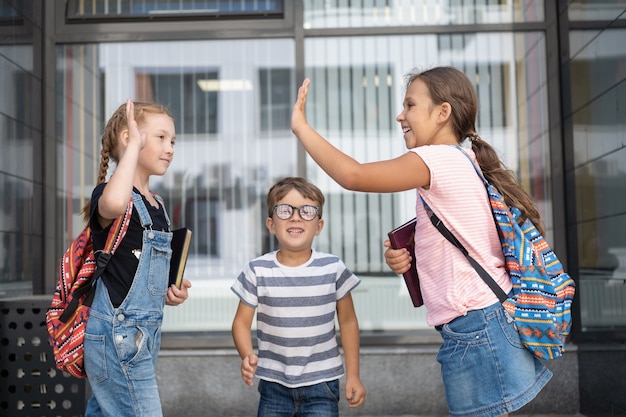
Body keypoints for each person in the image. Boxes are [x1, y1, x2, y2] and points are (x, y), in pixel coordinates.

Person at [291, 66, 553, 417]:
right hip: (486, 321)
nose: (401, 115)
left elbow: (353, 176)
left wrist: (302, 128)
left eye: (411, 105)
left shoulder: (437, 159)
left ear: (442, 112)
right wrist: (409, 253)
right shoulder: (464, 160)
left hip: (478, 327)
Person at [81, 100, 192, 417]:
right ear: (129, 139)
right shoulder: (111, 195)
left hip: (143, 336)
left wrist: (171, 291)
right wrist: (130, 148)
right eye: (160, 138)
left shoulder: (157, 204)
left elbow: (142, 275)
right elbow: (114, 203)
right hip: (118, 335)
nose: (169, 148)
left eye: (172, 141)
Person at [231, 176, 366, 416]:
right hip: (274, 384)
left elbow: (348, 322)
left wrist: (353, 375)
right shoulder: (257, 270)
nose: (295, 216)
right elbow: (241, 322)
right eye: (285, 210)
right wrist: (246, 355)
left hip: (322, 384)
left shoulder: (333, 268)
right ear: (271, 224)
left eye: (306, 211)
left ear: (319, 225)